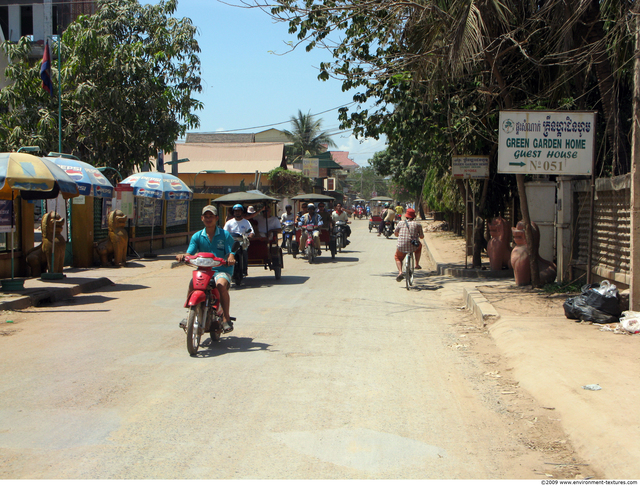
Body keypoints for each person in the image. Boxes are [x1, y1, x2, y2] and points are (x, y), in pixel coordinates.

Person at [177, 205, 236, 333]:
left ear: (217, 218)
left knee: (221, 285)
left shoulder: (225, 235)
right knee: (192, 284)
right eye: (206, 216)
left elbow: (231, 251)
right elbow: (190, 252)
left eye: (211, 216)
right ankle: (190, 313)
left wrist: (231, 257)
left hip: (221, 270)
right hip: (203, 271)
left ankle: (226, 317)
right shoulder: (197, 236)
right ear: (202, 218)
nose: (208, 219)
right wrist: (183, 256)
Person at [223, 204, 255, 277]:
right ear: (233, 212)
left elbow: (251, 232)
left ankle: (244, 269)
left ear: (242, 212)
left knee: (244, 252)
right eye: (236, 211)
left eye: (239, 211)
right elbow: (224, 232)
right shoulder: (229, 222)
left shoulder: (246, 222)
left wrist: (250, 235)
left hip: (242, 242)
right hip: (231, 243)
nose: (237, 213)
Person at [394, 208, 425, 281]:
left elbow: (395, 233)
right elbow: (421, 236)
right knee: (419, 247)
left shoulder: (400, 223)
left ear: (406, 216)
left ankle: (400, 272)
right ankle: (417, 264)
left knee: (397, 257)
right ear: (414, 217)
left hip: (401, 246)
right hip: (414, 246)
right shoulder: (418, 224)